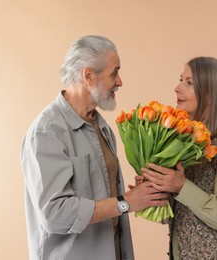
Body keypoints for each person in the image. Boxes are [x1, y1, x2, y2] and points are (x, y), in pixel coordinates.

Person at [21, 35, 168, 260]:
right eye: (114, 72)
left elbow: (105, 193)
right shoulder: (47, 132)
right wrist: (125, 202)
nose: (120, 82)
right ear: (88, 76)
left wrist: (140, 194)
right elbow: (54, 214)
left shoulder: (101, 126)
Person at [138, 57, 217, 259]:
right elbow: (182, 214)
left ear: (210, 94)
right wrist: (154, 191)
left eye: (189, 83)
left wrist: (181, 186)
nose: (177, 88)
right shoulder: (183, 142)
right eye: (180, 80)